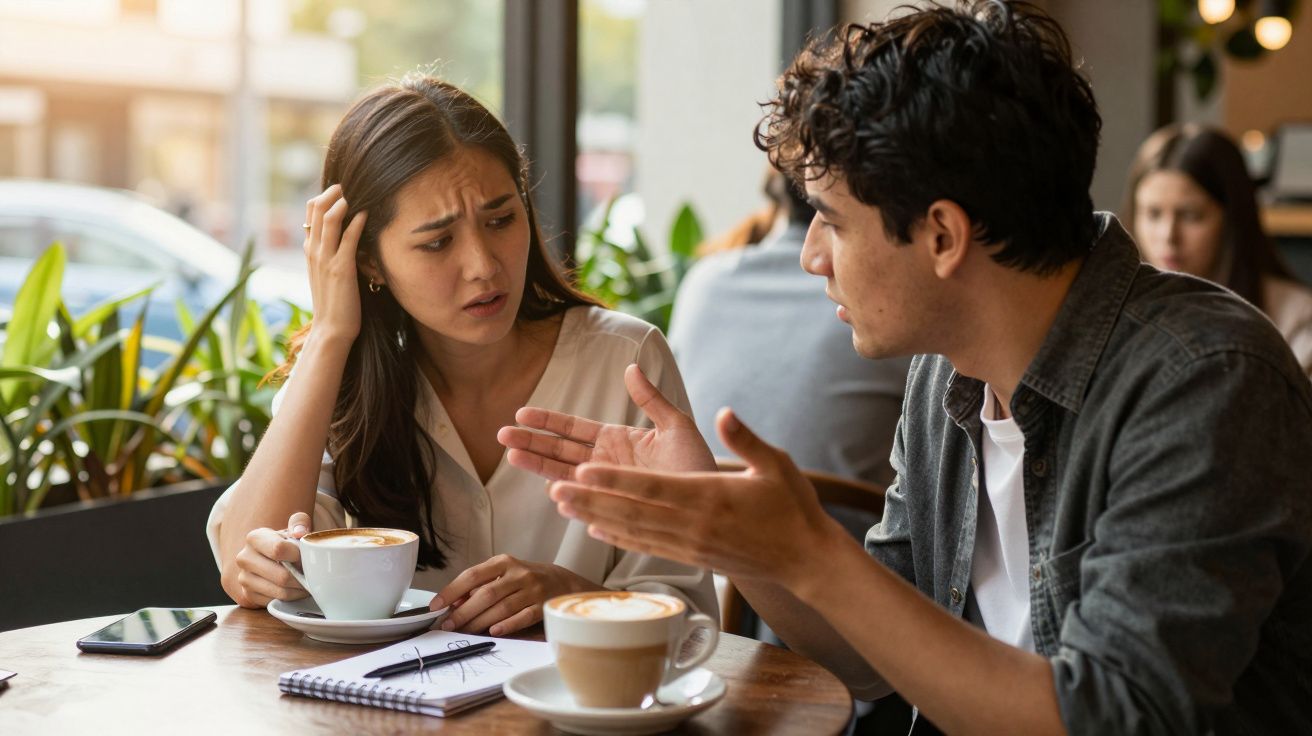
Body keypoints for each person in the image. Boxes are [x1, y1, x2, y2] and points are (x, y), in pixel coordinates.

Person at [497, 2, 1312, 734]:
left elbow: (1112, 717)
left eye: (831, 221)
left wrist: (811, 552)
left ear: (943, 236)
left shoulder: (1206, 380)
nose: (811, 257)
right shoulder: (947, 375)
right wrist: (738, 534)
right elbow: (871, 664)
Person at [206, 75, 716, 637]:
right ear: (368, 261)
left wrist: (572, 598)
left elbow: (692, 618)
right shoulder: (340, 380)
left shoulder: (625, 363)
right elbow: (248, 565)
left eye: (501, 220)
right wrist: (329, 332)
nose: (483, 265)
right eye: (437, 242)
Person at [668, 168, 911, 531]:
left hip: (700, 549)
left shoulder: (703, 282)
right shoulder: (883, 308)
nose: (812, 260)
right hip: (846, 554)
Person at [1126, 123, 1312, 376]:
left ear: (1232, 219)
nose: (1168, 236)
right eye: (1153, 214)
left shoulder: (1297, 320)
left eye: (1190, 215)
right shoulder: (1115, 314)